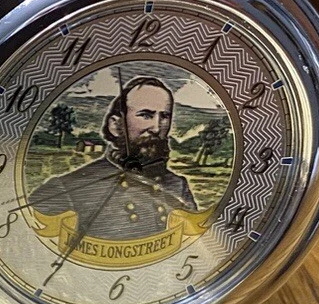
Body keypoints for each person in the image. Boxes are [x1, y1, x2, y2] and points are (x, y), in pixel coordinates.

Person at [27, 77, 197, 241]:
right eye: (146, 115)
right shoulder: (65, 190)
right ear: (115, 125)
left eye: (165, 116)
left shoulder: (177, 186)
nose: (156, 127)